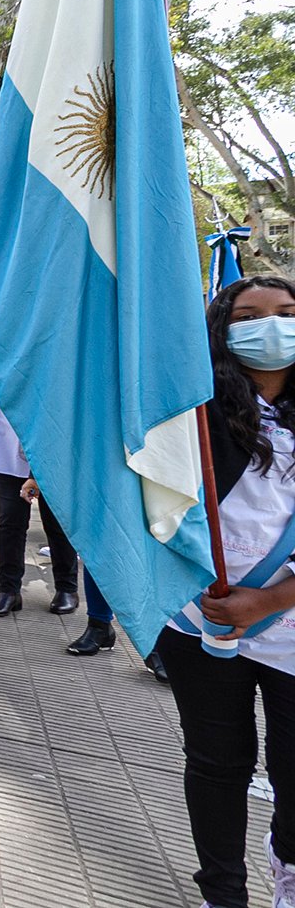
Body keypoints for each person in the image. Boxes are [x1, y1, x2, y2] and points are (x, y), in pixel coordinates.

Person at [154, 274, 295, 908]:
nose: (271, 326)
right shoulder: (189, 409)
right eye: (250, 315)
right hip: (200, 621)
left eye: (288, 313)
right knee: (217, 765)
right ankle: (223, 892)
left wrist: (267, 601)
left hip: (289, 625)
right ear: (221, 327)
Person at [0, 366, 80, 617]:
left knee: (56, 522)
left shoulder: (53, 354)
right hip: (6, 445)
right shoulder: (4, 349)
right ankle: (9, 590)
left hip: (51, 447)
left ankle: (67, 588)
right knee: (10, 523)